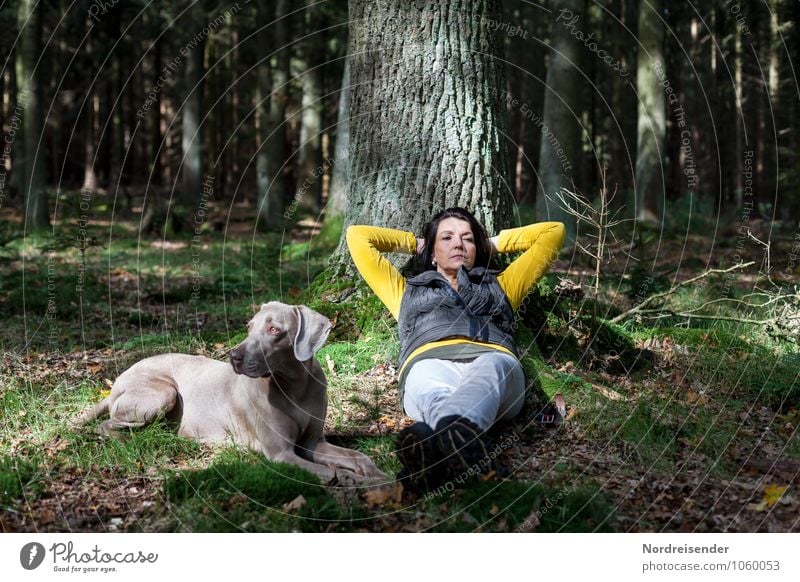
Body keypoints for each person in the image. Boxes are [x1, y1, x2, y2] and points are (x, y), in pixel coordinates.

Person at [346, 208, 565, 491]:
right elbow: (357, 236)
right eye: (446, 238)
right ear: (432, 251)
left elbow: (553, 232)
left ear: (478, 248)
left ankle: (435, 450)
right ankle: (461, 455)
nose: (458, 244)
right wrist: (416, 243)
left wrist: (491, 243)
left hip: (493, 361)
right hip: (429, 362)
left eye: (468, 239)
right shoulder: (405, 291)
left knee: (490, 369)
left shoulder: (503, 285)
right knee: (429, 385)